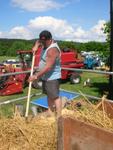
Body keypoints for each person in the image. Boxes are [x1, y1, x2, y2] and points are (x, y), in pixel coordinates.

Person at [29, 30, 62, 117]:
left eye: (45, 41)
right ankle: (50, 111)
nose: (42, 43)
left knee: (55, 97)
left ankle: (59, 116)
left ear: (50, 39)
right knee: (48, 94)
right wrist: (36, 46)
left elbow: (48, 67)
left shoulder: (52, 50)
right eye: (41, 41)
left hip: (52, 77)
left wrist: (36, 76)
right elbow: (38, 41)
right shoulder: (43, 41)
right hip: (45, 76)